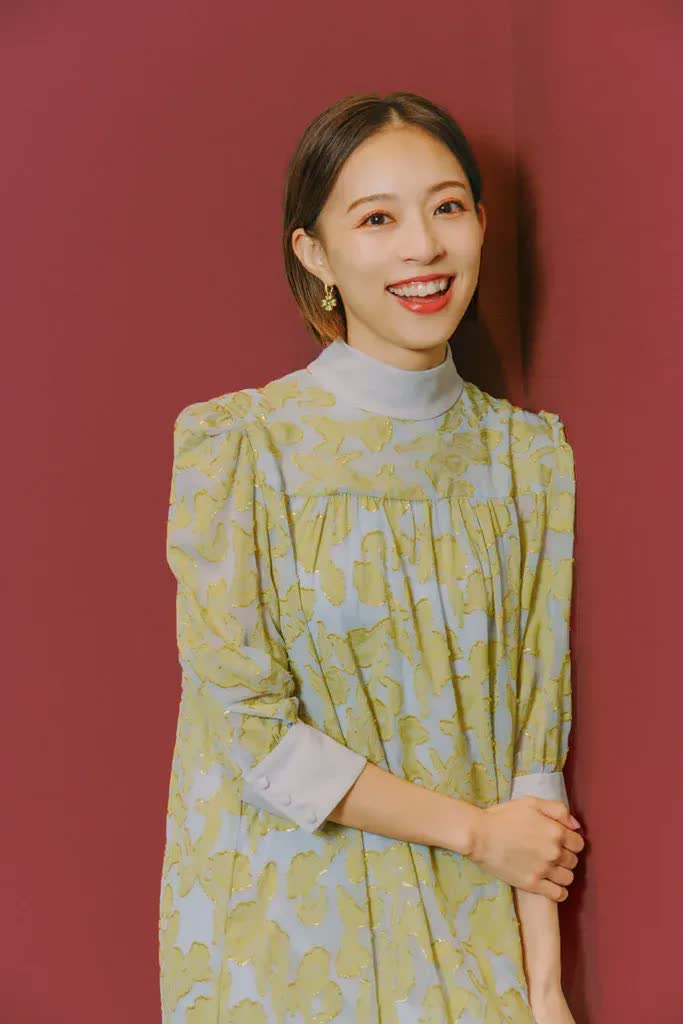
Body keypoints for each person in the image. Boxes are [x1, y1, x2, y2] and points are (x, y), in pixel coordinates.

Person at [159, 91, 585, 1024]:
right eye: (377, 219)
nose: (422, 248)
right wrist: (476, 833)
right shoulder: (242, 449)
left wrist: (546, 988)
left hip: (473, 932)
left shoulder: (527, 459)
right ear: (313, 253)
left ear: (480, 224)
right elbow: (254, 736)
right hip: (287, 935)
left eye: (446, 207)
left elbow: (532, 743)